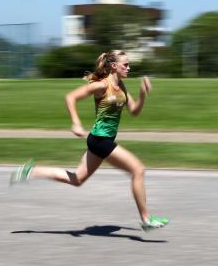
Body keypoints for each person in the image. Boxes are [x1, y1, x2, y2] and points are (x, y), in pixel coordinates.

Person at [10, 50, 169, 231]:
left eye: (128, 64)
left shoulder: (122, 86)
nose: (129, 67)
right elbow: (70, 97)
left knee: (77, 179)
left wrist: (142, 95)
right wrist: (76, 123)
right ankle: (146, 219)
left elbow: (134, 111)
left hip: (100, 140)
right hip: (100, 140)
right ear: (114, 66)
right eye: (126, 64)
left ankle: (30, 171)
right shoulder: (101, 86)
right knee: (138, 170)